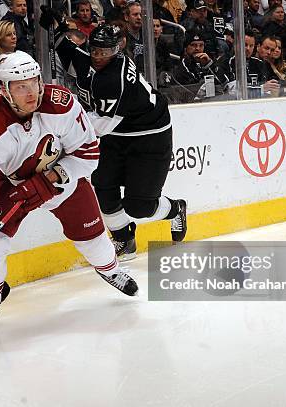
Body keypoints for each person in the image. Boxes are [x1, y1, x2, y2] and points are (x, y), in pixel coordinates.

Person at [0, 51, 138, 327]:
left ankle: (110, 269)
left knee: (94, 239)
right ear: (4, 90)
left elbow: (87, 155)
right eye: (21, 86)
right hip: (11, 184)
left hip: (62, 179)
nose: (32, 92)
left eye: (35, 82)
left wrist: (50, 179)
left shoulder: (61, 104)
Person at [43, 19, 188, 259]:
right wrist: (57, 24)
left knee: (139, 207)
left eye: (106, 51)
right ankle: (124, 240)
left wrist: (62, 138)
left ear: (116, 51)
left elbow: (98, 126)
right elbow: (67, 48)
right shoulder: (90, 61)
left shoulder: (113, 80)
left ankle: (175, 209)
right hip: (117, 133)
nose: (98, 56)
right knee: (103, 186)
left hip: (149, 136)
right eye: (95, 50)